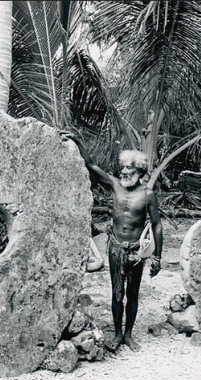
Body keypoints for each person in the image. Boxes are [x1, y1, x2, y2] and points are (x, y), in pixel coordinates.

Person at [59, 130, 163, 352]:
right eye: (123, 168)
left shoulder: (148, 195)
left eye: (129, 168)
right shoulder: (115, 185)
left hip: (136, 251)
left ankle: (128, 335)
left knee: (132, 293)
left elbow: (157, 225)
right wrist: (77, 140)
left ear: (140, 171)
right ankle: (117, 334)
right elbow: (93, 166)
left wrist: (157, 258)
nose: (124, 171)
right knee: (117, 293)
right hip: (116, 247)